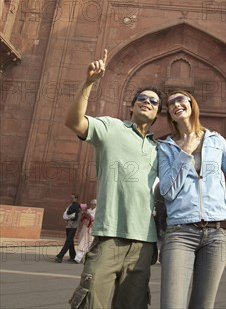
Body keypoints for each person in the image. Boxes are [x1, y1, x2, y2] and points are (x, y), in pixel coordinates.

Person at [66, 49, 163, 309]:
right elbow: (74, 122)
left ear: (157, 114)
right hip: (109, 235)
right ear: (131, 106)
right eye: (141, 99)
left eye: (153, 102)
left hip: (144, 243)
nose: (147, 102)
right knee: (90, 301)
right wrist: (88, 83)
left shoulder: (160, 149)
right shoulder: (111, 128)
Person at [158, 90, 226, 309]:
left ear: (191, 104)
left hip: (218, 233)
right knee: (172, 304)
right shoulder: (165, 147)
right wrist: (185, 152)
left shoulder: (217, 141)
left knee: (203, 305)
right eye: (170, 103)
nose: (176, 104)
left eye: (180, 99)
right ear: (169, 113)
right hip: (180, 232)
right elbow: (167, 191)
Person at [54, 194, 81, 263]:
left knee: (68, 241)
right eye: (71, 198)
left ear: (76, 198)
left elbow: (73, 216)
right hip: (69, 226)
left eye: (72, 198)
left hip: (73, 227)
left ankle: (60, 256)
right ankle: (73, 256)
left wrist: (68, 216)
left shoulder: (76, 206)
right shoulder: (71, 205)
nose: (71, 199)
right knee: (70, 242)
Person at [72, 200, 97, 264]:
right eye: (91, 204)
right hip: (85, 228)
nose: (92, 205)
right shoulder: (88, 210)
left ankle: (80, 258)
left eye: (93, 204)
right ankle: (78, 258)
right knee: (82, 242)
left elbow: (93, 219)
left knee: (88, 244)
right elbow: (83, 219)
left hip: (91, 229)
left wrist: (89, 216)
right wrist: (84, 214)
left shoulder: (97, 211)